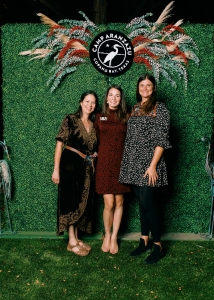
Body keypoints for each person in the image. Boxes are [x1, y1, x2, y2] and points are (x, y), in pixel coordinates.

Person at [119, 74, 171, 264]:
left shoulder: (161, 108)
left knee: (148, 203)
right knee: (142, 203)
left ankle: (158, 245)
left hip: (150, 165)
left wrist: (152, 166)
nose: (145, 88)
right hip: (134, 163)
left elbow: (162, 140)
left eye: (149, 85)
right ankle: (144, 240)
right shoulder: (135, 108)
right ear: (138, 88)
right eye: (142, 85)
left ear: (154, 88)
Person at [52, 91, 98, 256]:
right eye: (87, 101)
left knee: (81, 201)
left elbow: (92, 148)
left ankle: (77, 238)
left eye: (93, 102)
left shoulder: (93, 125)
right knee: (71, 201)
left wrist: (94, 155)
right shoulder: (70, 119)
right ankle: (71, 242)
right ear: (81, 102)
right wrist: (56, 169)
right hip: (69, 166)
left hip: (85, 168)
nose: (89, 105)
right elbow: (59, 144)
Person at [94, 84, 131, 254]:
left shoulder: (127, 117)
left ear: (120, 99)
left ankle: (114, 236)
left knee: (119, 202)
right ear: (107, 98)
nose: (114, 98)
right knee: (108, 203)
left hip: (121, 164)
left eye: (117, 96)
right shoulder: (99, 116)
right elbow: (93, 139)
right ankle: (107, 235)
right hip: (104, 164)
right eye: (111, 95)